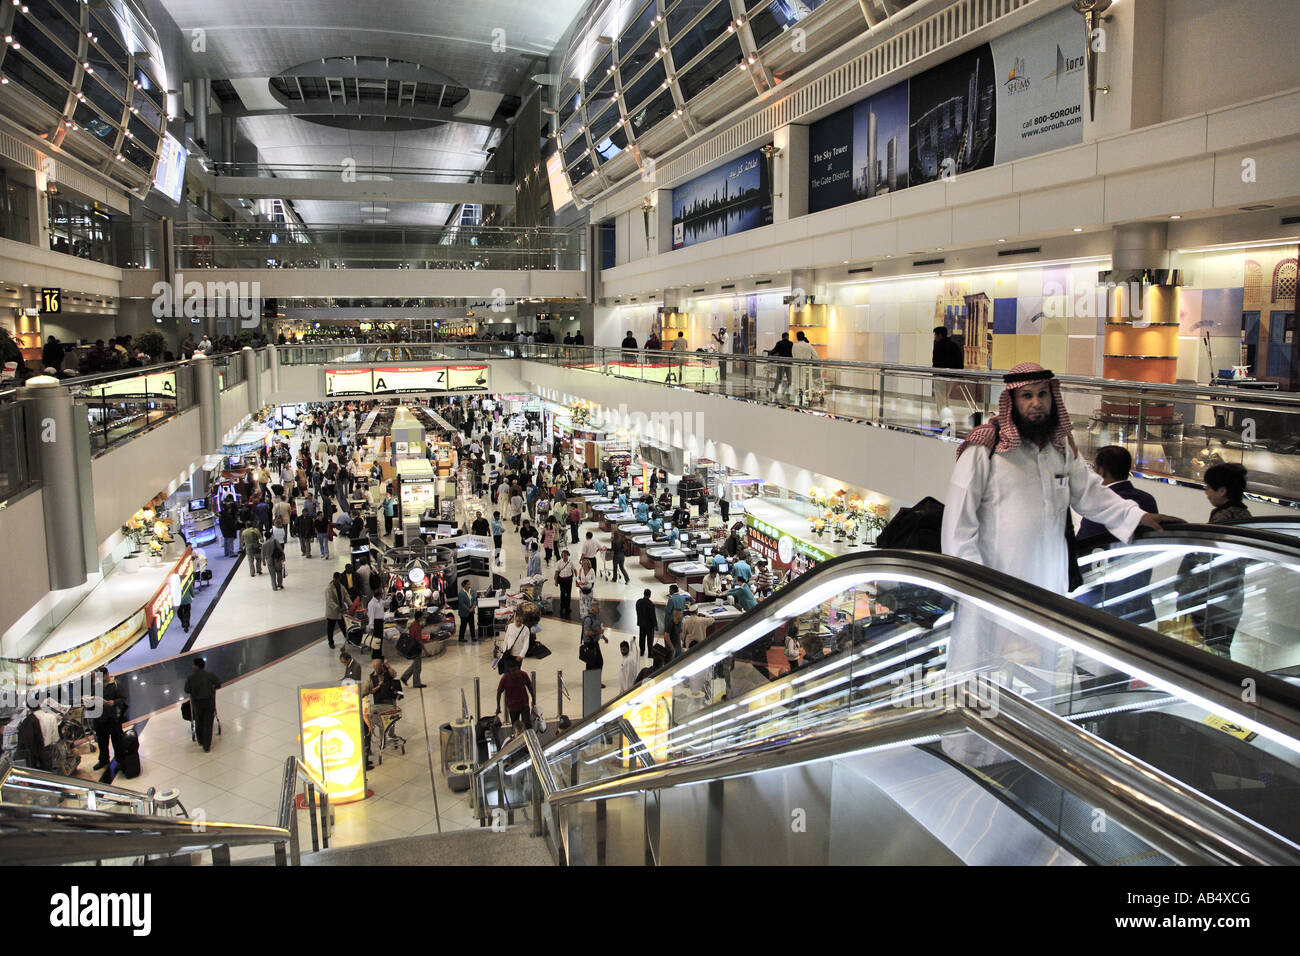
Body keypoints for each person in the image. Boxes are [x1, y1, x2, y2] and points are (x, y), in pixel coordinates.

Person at [940, 363, 1170, 759]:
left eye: (1043, 395)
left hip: (1046, 588)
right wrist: (973, 583)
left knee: (1040, 671)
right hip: (992, 586)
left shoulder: (1061, 448)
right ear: (1011, 400)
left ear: (1053, 398)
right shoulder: (986, 447)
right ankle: (969, 752)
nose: (1036, 405)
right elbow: (959, 523)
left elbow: (1092, 495)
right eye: (1026, 396)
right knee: (980, 669)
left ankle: (1027, 750)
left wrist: (1137, 517)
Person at [1177, 463, 1252, 653]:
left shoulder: (1224, 520)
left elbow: (1207, 561)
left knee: (1208, 651)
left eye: (1208, 488)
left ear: (1222, 491)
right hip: (1231, 600)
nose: (1206, 493)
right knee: (1220, 648)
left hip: (1213, 599)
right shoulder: (1244, 516)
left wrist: (1183, 593)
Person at [1077, 446, 1158, 541]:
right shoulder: (1148, 500)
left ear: (1101, 471)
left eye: (1093, 467)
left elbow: (1082, 543)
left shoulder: (1098, 505)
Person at [183, 657, 221, 752]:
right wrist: (212, 688)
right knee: (208, 723)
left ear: (196, 666)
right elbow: (218, 684)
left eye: (193, 665)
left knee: (199, 721)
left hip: (197, 703)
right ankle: (207, 746)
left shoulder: (191, 677)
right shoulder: (210, 675)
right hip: (209, 702)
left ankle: (200, 740)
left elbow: (187, 690)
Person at [931, 326, 964, 424]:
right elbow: (959, 361)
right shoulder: (953, 345)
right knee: (945, 398)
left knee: (941, 399)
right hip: (950, 376)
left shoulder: (938, 346)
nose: (934, 337)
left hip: (940, 376)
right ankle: (946, 419)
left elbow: (936, 362)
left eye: (935, 335)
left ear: (939, 335)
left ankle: (944, 421)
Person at [494, 657, 536, 735]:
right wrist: (498, 706)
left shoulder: (523, 674)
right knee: (515, 727)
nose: (516, 672)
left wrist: (533, 699)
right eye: (513, 670)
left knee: (527, 724)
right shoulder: (505, 678)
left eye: (516, 669)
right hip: (512, 706)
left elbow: (530, 687)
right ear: (509, 670)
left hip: (524, 704)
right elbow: (499, 692)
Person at [399, 612, 430, 687]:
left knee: (415, 664)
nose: (423, 618)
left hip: (412, 646)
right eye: (422, 616)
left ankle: (404, 677)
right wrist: (425, 650)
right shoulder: (417, 627)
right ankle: (416, 683)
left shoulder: (413, 624)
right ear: (419, 618)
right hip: (416, 648)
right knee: (418, 667)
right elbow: (419, 640)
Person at [580, 599, 608, 679]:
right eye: (598, 608)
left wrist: (604, 637)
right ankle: (591, 682)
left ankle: (595, 681)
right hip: (590, 645)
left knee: (598, 663)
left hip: (595, 644)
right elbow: (587, 632)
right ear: (592, 609)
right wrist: (598, 632)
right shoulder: (588, 619)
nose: (599, 610)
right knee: (591, 664)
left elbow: (597, 631)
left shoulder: (595, 619)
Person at [791, 331, 820, 403]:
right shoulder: (808, 345)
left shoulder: (794, 345)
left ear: (797, 337)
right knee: (805, 382)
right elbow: (816, 356)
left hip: (796, 366)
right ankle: (805, 397)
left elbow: (793, 355)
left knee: (796, 382)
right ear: (804, 336)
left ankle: (797, 397)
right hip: (806, 366)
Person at [325, 573, 348, 649]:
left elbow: (346, 596)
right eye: (337, 579)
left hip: (340, 612)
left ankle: (348, 639)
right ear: (334, 578)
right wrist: (337, 608)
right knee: (330, 628)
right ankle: (331, 642)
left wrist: (350, 604)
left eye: (339, 580)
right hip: (332, 612)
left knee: (343, 626)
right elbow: (330, 601)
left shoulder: (341, 586)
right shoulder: (329, 588)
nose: (338, 581)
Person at [770, 331, 794, 397]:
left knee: (779, 377)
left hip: (781, 362)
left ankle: (775, 389)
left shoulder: (779, 343)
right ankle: (789, 391)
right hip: (789, 363)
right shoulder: (791, 343)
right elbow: (793, 353)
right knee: (789, 378)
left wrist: (772, 354)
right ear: (787, 337)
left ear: (782, 337)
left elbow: (773, 351)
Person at [366, 589, 387, 658]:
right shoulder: (372, 604)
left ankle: (379, 654)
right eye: (381, 594)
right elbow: (371, 616)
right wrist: (371, 627)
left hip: (380, 622)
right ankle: (375, 655)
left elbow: (385, 603)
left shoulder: (380, 601)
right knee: (376, 640)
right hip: (376, 623)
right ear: (378, 595)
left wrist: (391, 597)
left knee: (380, 640)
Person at [554, 549, 576, 618]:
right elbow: (557, 572)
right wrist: (555, 581)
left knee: (568, 594)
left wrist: (576, 578)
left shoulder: (570, 562)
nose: (564, 556)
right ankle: (562, 606)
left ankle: (568, 607)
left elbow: (574, 570)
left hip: (569, 580)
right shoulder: (559, 563)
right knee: (563, 593)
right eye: (563, 555)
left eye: (565, 555)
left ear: (568, 555)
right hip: (562, 580)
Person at [457, 578, 478, 642]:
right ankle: (461, 638)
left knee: (472, 624)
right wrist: (468, 610)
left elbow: (474, 599)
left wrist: (473, 606)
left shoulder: (472, 590)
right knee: (463, 625)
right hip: (464, 612)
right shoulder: (461, 593)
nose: (469, 585)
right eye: (468, 584)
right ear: (464, 585)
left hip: (471, 610)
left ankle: (473, 636)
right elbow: (462, 604)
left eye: (469, 584)